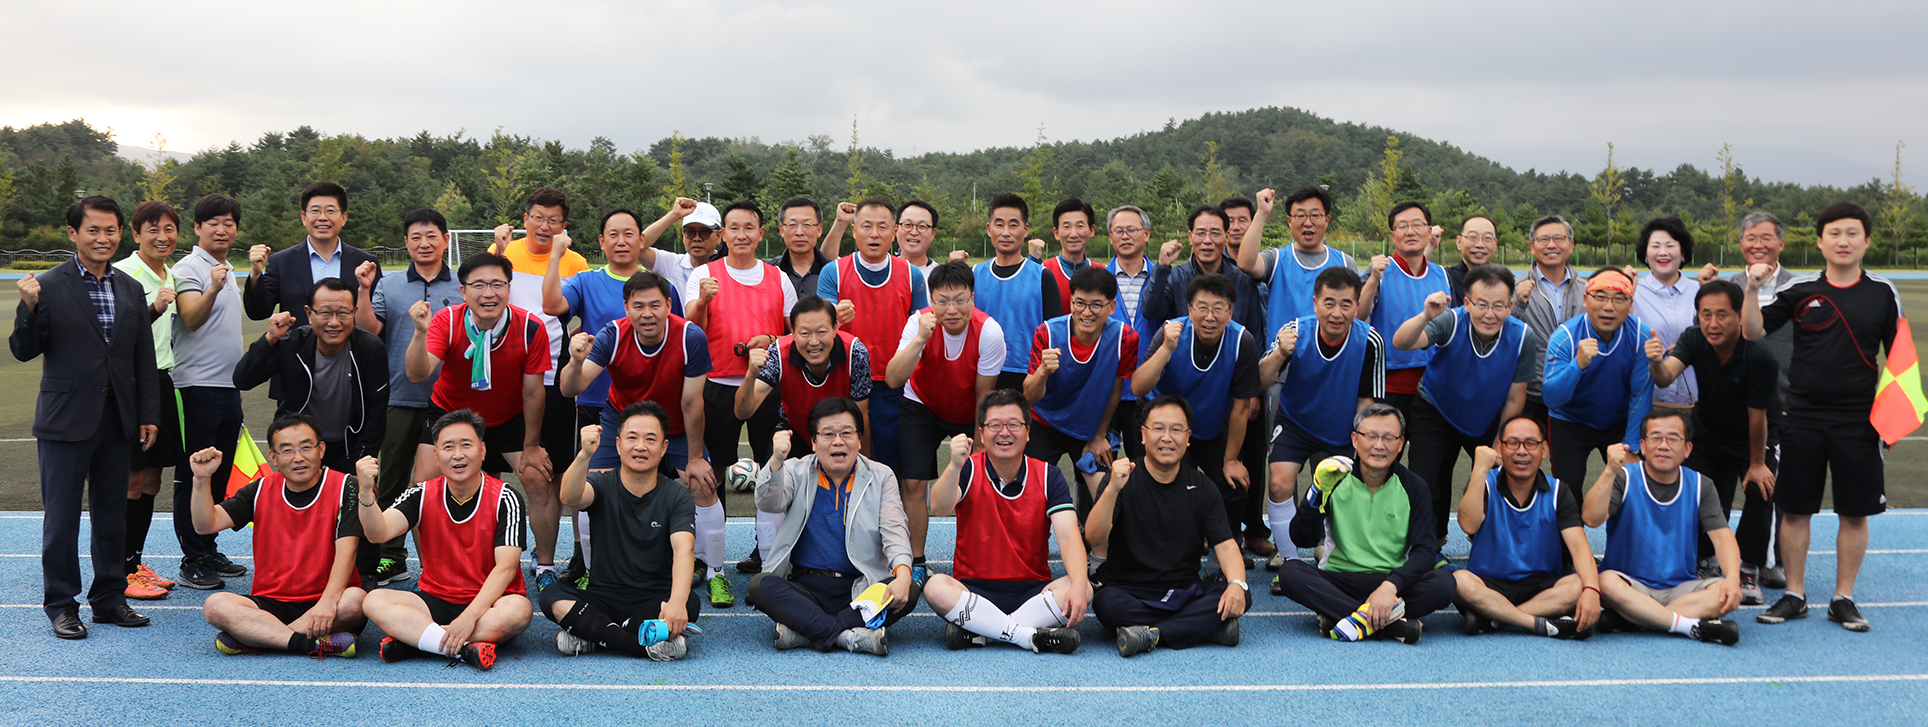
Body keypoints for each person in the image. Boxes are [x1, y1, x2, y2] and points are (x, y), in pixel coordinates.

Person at [1744, 202, 1898, 632]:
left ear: (1866, 241)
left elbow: (1900, 360)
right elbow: (1753, 331)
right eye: (1834, 233)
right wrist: (1753, 290)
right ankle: (1794, 594)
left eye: (1852, 233)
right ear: (1819, 241)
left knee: (1855, 512)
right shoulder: (1800, 290)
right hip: (1801, 417)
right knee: (1794, 510)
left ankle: (1842, 598)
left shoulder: (1883, 293)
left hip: (1858, 421)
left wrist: (1893, 420)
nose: (1843, 241)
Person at [14, 195, 159, 638]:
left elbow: (141, 357)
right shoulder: (49, 285)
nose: (103, 238)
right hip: (64, 420)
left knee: (112, 515)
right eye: (93, 230)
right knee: (62, 519)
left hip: (118, 421)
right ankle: (61, 604)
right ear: (73, 234)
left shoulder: (129, 287)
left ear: (120, 233)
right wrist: (29, 308)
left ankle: (109, 599)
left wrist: (148, 413)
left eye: (110, 230)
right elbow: (24, 350)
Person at [403, 252, 552, 582]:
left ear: (509, 288)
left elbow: (533, 393)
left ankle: (545, 565)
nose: (489, 293)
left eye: (498, 284)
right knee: (423, 486)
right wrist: (418, 332)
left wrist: (530, 446)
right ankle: (434, 569)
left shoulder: (530, 327)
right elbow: (418, 373)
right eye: (479, 285)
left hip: (506, 417)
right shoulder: (447, 321)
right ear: (463, 291)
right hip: (451, 415)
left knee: (538, 480)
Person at [358, 410, 531, 669]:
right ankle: (461, 648)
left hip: (490, 602)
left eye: (466, 445)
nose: (458, 455)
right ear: (436, 456)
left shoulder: (506, 498)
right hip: (435, 598)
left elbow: (505, 568)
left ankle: (419, 640)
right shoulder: (421, 493)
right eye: (448, 447)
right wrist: (364, 491)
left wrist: (469, 617)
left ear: (483, 450)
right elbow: (377, 532)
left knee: (519, 611)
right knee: (373, 601)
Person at [747, 398, 919, 655]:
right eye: (828, 434)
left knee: (910, 589)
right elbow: (769, 503)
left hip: (861, 586)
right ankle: (848, 636)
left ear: (860, 440)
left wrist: (904, 574)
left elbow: (895, 530)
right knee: (760, 585)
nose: (838, 441)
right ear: (814, 442)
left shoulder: (881, 476)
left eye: (847, 433)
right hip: (806, 587)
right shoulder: (796, 470)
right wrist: (776, 462)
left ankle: (808, 631)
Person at [924, 391, 1090, 653]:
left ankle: (984, 633)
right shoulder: (967, 468)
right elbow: (939, 507)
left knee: (1082, 586)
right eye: (995, 425)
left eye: (1013, 424)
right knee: (934, 587)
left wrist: (1080, 586)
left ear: (1027, 432)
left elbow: (1069, 536)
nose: (1004, 432)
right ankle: (1027, 636)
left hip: (1032, 591)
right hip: (974, 589)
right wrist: (954, 465)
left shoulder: (1049, 476)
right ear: (981, 433)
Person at [1272, 404, 1452, 645]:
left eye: (1389, 438)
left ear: (1401, 444)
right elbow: (1302, 538)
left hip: (1392, 582)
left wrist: (1390, 586)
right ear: (1355, 440)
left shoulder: (1414, 486)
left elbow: (1426, 550)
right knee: (1290, 572)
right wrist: (1316, 491)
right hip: (1339, 579)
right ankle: (1389, 624)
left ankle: (1344, 617)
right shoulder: (1333, 477)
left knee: (1445, 584)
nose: (1379, 445)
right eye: (1371, 437)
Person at [190, 414, 365, 657]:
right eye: (287, 450)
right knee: (215, 606)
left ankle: (257, 638)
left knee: (356, 601)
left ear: (321, 449)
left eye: (306, 447)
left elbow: (348, 551)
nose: (298, 458)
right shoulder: (260, 489)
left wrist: (326, 603)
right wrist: (201, 479)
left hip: (327, 599)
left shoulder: (347, 486)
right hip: (270, 602)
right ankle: (306, 643)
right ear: (273, 457)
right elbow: (205, 524)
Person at [1648, 279, 1779, 603]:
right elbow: (1665, 376)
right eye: (1705, 314)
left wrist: (1758, 463)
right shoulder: (1694, 338)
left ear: (1739, 316)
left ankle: (1749, 567)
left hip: (1753, 436)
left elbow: (1757, 417)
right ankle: (1705, 560)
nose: (1713, 323)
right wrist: (1655, 361)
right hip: (1708, 433)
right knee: (1703, 496)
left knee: (1758, 492)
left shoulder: (1760, 355)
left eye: (1722, 315)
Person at [1085, 396, 1247, 656]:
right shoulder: (1120, 479)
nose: (1167, 437)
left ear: (1188, 437)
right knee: (1105, 603)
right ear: (1143, 435)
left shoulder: (1203, 487)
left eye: (1176, 429)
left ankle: (1152, 634)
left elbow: (1226, 546)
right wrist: (1113, 488)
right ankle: (1203, 628)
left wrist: (1237, 584)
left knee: (1239, 593)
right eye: (1158, 428)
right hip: (1129, 590)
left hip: (1184, 590)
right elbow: (1094, 536)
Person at [354, 207, 464, 585]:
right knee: (394, 479)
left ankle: (453, 559)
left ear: (446, 240)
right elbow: (370, 330)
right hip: (400, 395)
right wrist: (365, 291)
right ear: (406, 243)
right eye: (416, 237)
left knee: (452, 481)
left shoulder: (462, 286)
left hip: (451, 400)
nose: (424, 243)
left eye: (432, 235)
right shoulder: (390, 284)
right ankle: (392, 556)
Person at [543, 401, 701, 661]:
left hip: (652, 599)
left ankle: (592, 634)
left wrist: (675, 603)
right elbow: (570, 497)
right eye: (632, 438)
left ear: (663, 449)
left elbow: (684, 549)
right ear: (618, 444)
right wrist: (584, 454)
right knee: (552, 595)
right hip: (602, 596)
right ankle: (637, 644)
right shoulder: (602, 483)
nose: (640, 446)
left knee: (688, 602)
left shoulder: (677, 496)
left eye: (650, 439)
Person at [1391, 264, 1539, 540]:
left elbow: (1516, 396)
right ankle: (1428, 543)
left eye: (1498, 305)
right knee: (1425, 479)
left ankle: (1486, 539)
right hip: (1436, 407)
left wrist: (1500, 439)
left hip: (1487, 413)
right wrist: (1425, 316)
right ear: (1468, 303)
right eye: (1481, 304)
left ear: (1510, 306)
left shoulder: (1522, 337)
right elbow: (1401, 342)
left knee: (1496, 476)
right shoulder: (1451, 320)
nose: (1490, 313)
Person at [488, 186, 584, 587]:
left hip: (552, 383)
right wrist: (497, 249)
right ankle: (484, 560)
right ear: (524, 218)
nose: (545, 226)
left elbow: (575, 310)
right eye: (538, 217)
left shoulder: (575, 261)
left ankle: (545, 564)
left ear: (564, 225)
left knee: (552, 478)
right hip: (501, 383)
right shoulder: (504, 254)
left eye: (554, 220)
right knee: (513, 476)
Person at [1582, 411, 1743, 645]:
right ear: (1643, 446)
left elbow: (1722, 538)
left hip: (1680, 586)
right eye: (1656, 438)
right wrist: (1608, 471)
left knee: (1725, 592)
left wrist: (1733, 578)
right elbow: (1591, 518)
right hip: (1630, 584)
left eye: (1673, 438)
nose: (1664, 445)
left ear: (1687, 449)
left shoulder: (1700, 485)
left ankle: (1635, 620)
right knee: (1605, 582)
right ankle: (1685, 624)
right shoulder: (1624, 478)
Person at [885, 261, 1004, 579]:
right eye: (942, 301)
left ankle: (977, 557)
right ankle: (917, 561)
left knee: (977, 482)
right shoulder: (918, 323)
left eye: (960, 299)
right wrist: (920, 339)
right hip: (922, 404)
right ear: (931, 300)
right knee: (912, 482)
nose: (951, 309)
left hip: (969, 409)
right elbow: (894, 378)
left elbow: (984, 395)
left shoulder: (989, 331)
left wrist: (979, 448)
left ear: (973, 298)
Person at [1260, 266, 1384, 565]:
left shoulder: (1370, 341)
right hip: (1295, 422)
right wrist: (1279, 354)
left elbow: (1367, 405)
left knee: (1342, 496)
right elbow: (1260, 380)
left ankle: (1330, 556)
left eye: (1346, 304)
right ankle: (1289, 564)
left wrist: (1361, 447)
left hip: (1343, 429)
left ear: (1358, 306)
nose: (1337, 313)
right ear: (1315, 303)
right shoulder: (1295, 331)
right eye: (1329, 303)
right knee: (1278, 483)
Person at [1130, 273, 1261, 540]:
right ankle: (1154, 548)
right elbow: (1138, 387)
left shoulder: (1241, 341)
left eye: (1218, 309)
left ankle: (1225, 553)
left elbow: (1240, 408)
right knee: (1153, 487)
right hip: (1165, 429)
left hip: (1208, 427)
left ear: (1230, 312)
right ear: (1189, 309)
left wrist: (1231, 460)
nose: (1209, 317)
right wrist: (1166, 348)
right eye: (1202, 308)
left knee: (1234, 485)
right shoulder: (1171, 332)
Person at [169, 193, 253, 590]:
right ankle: (192, 559)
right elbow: (190, 318)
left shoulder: (224, 268)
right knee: (194, 474)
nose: (222, 229)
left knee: (216, 476)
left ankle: (208, 546)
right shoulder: (190, 267)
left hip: (224, 387)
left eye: (229, 223)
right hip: (194, 387)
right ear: (198, 228)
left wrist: (235, 386)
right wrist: (214, 289)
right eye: (213, 222)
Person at [1453, 417, 1600, 639]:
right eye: (1512, 443)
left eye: (1530, 443)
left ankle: (1496, 618)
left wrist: (1591, 590)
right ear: (1499, 450)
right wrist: (1479, 470)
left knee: (1582, 583)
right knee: (1459, 581)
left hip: (1543, 585)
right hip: (1489, 584)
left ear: (1544, 450)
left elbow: (1579, 548)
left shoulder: (1558, 491)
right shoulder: (1483, 483)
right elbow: (1468, 523)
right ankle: (1536, 623)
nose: (1522, 451)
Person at [817, 198, 929, 483]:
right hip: (845, 387)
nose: (874, 234)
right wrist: (835, 318)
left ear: (894, 233)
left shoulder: (911, 275)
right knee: (847, 470)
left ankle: (896, 528)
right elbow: (818, 333)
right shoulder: (834, 272)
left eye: (883, 227)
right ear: (854, 231)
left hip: (896, 388)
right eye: (867, 226)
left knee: (897, 473)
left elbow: (921, 333)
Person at [233, 278, 388, 473]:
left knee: (348, 501)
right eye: (324, 313)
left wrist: (360, 465)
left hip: (348, 449)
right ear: (309, 313)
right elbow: (243, 379)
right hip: (299, 448)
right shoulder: (292, 344)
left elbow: (375, 416)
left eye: (343, 313)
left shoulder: (370, 349)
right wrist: (269, 339)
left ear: (354, 313)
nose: (334, 322)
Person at [1023, 267, 1136, 517]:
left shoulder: (1125, 338)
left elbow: (1115, 391)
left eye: (1096, 305)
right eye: (1079, 303)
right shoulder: (1047, 333)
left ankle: (1098, 552)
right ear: (1071, 301)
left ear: (1111, 306)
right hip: (1045, 422)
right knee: (1031, 491)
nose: (1086, 312)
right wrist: (1042, 371)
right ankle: (1032, 547)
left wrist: (1099, 434)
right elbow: (1029, 396)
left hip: (1089, 428)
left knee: (1107, 496)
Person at [113, 200, 182, 600]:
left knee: (153, 478)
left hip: (161, 380)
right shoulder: (123, 273)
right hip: (132, 382)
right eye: (152, 229)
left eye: (169, 229)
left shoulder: (170, 271)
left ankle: (135, 562)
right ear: (136, 234)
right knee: (131, 480)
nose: (162, 236)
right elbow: (119, 332)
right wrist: (154, 307)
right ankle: (120, 568)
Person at [1542, 266, 1656, 489]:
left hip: (1618, 420)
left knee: (1629, 488)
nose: (1608, 307)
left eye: (1619, 299)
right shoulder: (1565, 338)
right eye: (1600, 297)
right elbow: (1552, 398)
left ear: (1631, 304)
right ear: (1585, 300)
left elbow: (1641, 395)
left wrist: (1632, 446)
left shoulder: (1642, 336)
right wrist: (1578, 365)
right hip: (1570, 420)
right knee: (1567, 491)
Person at [243, 181, 382, 326]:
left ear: (344, 218)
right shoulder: (282, 262)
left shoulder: (365, 263)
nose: (322, 217)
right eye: (315, 211)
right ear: (304, 217)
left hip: (350, 348)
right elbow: (258, 312)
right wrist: (255, 274)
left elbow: (378, 319)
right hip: (298, 347)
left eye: (330, 211)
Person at [1359, 202, 1452, 419]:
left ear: (1429, 231)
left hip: (1433, 382)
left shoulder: (1442, 275)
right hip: (1387, 381)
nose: (1410, 231)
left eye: (1417, 225)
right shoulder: (1381, 271)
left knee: (1426, 451)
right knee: (1383, 448)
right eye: (1402, 226)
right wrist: (1373, 278)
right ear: (1393, 235)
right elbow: (1359, 315)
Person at [1234, 187, 1355, 341]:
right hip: (1283, 359)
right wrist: (1262, 213)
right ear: (1289, 221)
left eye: (1315, 215)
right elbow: (1246, 263)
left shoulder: (1345, 263)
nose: (1308, 222)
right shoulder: (1276, 259)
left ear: (1327, 220)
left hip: (1331, 359)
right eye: (1300, 216)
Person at [971, 194, 1061, 390]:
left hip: (1028, 376)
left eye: (1013, 225)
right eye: (999, 225)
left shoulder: (1043, 277)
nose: (1005, 233)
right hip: (981, 371)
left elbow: (1054, 335)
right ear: (989, 229)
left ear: (1026, 230)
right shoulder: (974, 274)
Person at [1512, 215, 1588, 428]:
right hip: (1528, 392)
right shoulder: (1513, 288)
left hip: (1576, 390)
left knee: (1566, 460)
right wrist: (1517, 304)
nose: (1551, 245)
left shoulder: (1589, 290)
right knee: (1523, 457)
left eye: (1559, 238)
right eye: (1543, 239)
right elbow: (1499, 334)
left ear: (1571, 245)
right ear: (1532, 246)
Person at [1144, 205, 1262, 337]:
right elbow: (1151, 312)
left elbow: (1255, 333)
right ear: (1190, 237)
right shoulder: (1175, 277)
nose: (1207, 241)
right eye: (1200, 233)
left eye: (1215, 233)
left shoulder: (1243, 280)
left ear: (1226, 237)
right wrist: (1162, 268)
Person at [1104, 205, 1158, 462]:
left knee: (1148, 464)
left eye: (1132, 230)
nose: (1125, 236)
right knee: (1098, 465)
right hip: (1106, 389)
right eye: (1119, 231)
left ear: (1146, 234)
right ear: (1110, 236)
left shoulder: (1165, 278)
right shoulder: (1098, 280)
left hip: (1150, 391)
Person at [1632, 216, 1701, 411]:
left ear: (1683, 252)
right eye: (1655, 246)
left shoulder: (1700, 291)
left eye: (1670, 246)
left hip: (1695, 398)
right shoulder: (1633, 291)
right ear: (1645, 253)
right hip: (1645, 398)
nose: (1663, 253)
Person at [637, 197, 720, 304]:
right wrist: (674, 215)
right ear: (683, 235)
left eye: (704, 232)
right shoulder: (672, 263)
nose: (696, 238)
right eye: (690, 232)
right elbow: (638, 248)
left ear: (718, 236)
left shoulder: (728, 269)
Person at [767, 197, 840, 298]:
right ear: (782, 230)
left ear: (819, 229)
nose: (799, 233)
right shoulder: (766, 272)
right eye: (792, 225)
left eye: (807, 225)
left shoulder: (837, 273)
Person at [1040, 199, 1098, 315]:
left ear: (1091, 230)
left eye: (1080, 226)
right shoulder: (1042, 271)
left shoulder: (1103, 272)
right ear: (1056, 233)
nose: (1073, 234)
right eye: (1067, 227)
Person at [1445, 215, 1499, 301]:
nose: (1480, 245)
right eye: (1473, 237)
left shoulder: (1503, 280)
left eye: (1487, 238)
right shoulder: (1446, 279)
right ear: (1459, 242)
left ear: (1495, 244)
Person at [895, 200, 942, 276]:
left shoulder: (941, 277)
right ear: (896, 230)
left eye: (922, 226)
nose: (914, 232)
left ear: (933, 233)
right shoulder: (882, 273)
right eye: (907, 225)